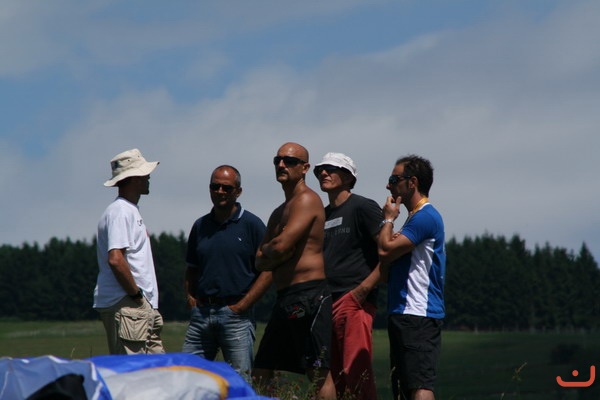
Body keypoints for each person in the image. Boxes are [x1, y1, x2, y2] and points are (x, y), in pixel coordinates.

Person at [252, 142, 333, 399]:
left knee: (317, 371)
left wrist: (275, 250)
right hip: (285, 297)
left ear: (305, 168)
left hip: (309, 295)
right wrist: (275, 251)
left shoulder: (307, 200)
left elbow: (280, 246)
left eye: (289, 161)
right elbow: (259, 261)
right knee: (262, 370)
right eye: (277, 160)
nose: (281, 165)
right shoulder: (279, 212)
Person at [182, 165, 270, 382]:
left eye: (226, 188)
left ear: (238, 191)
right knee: (186, 377)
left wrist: (242, 306)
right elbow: (192, 267)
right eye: (215, 186)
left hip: (236, 316)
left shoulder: (252, 225)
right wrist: (191, 298)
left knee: (239, 382)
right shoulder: (200, 225)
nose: (220, 191)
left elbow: (268, 271)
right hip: (201, 314)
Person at [314, 152, 382, 400]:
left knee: (356, 372)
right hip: (326, 302)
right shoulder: (322, 214)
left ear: (348, 177)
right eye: (320, 170)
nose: (323, 173)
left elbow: (388, 252)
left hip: (353, 301)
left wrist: (362, 290)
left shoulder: (363, 206)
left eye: (331, 169)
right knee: (333, 378)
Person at [377, 155, 446, 400]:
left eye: (394, 179)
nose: (388, 185)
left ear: (412, 182)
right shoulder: (414, 219)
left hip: (417, 312)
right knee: (404, 388)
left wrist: (388, 219)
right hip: (405, 311)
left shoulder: (424, 217)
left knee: (419, 385)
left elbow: (384, 250)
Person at [93, 148, 165, 355]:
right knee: (134, 370)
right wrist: (137, 296)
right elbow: (116, 259)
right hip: (128, 304)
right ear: (133, 178)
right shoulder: (121, 211)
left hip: (135, 305)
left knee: (155, 368)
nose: (148, 177)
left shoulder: (126, 210)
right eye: (144, 174)